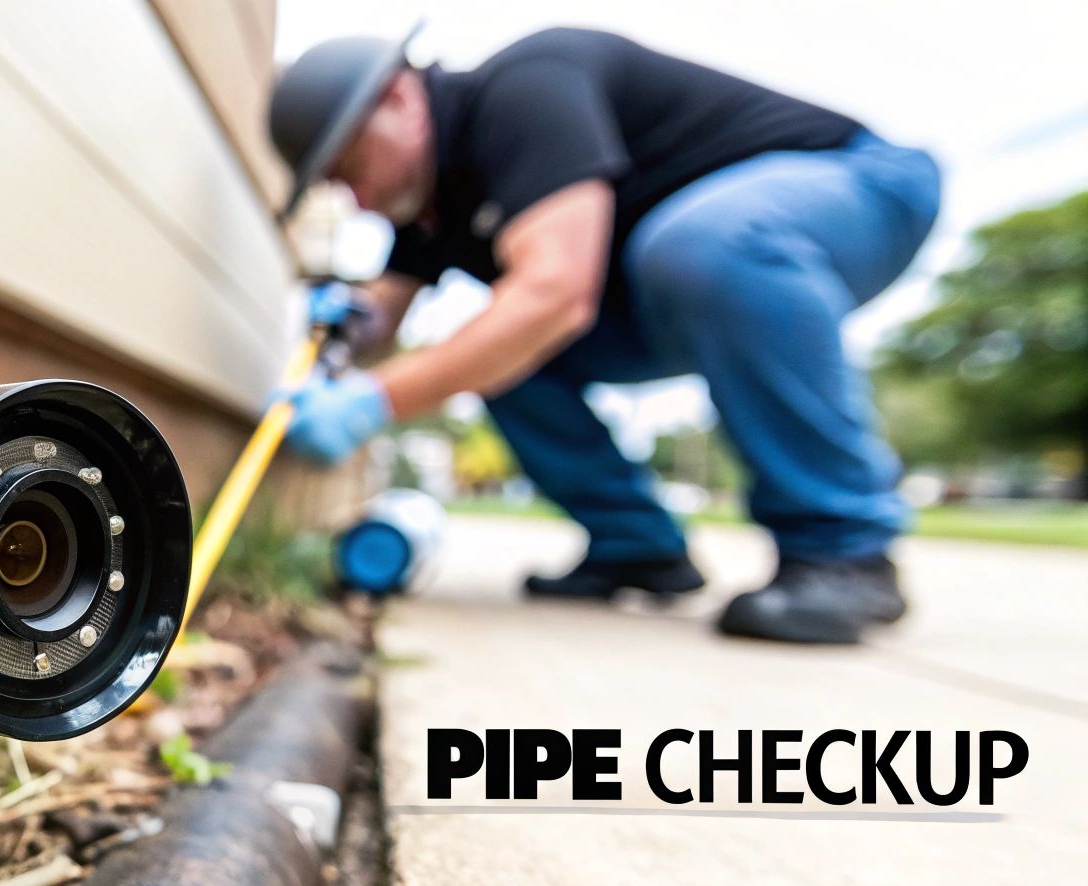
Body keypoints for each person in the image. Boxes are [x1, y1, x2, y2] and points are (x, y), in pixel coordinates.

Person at [266, 26, 940, 644]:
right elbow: (386, 311)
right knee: (497, 352)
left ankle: (844, 549)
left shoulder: (524, 91)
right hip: (678, 282)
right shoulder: (428, 210)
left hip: (855, 189)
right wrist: (348, 325)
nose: (354, 199)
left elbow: (554, 294)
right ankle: (636, 548)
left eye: (349, 168)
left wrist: (371, 401)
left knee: (681, 254)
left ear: (398, 99)